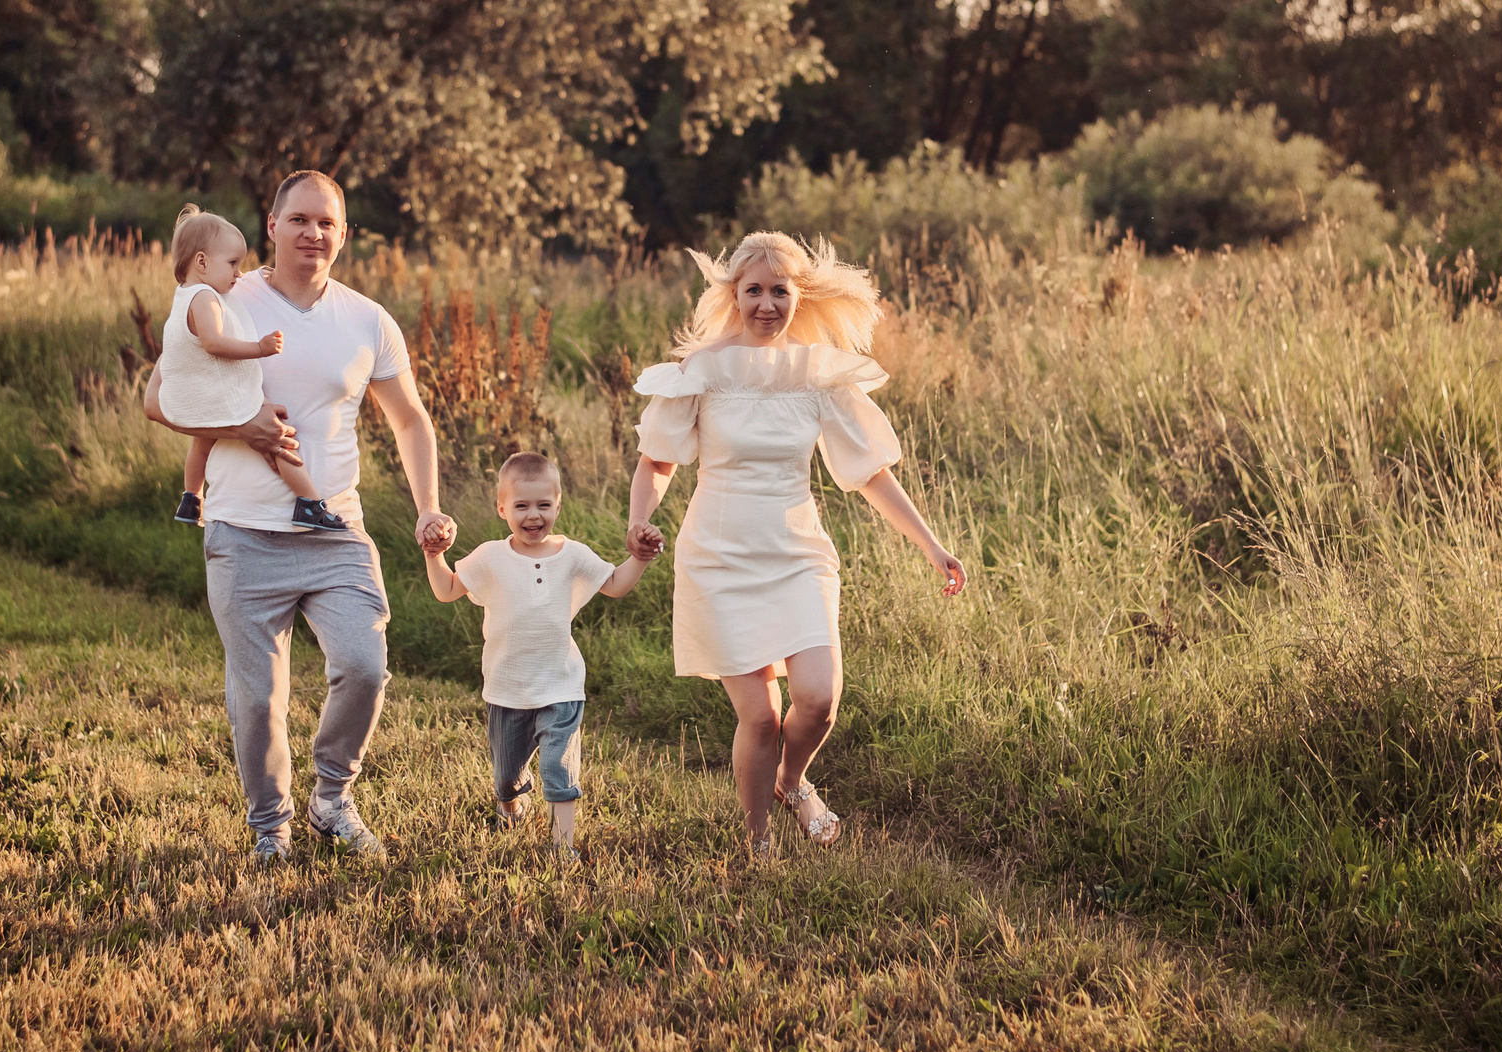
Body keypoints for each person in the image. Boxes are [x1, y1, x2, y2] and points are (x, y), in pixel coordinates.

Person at [142, 171, 456, 864]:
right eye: (300, 219)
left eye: (327, 222)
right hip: (243, 531)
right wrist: (240, 423)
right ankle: (269, 829)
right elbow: (157, 398)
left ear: (343, 235)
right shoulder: (225, 297)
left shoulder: (368, 320)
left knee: (365, 666)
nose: (314, 232)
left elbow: (409, 421)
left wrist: (428, 504)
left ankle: (332, 798)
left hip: (334, 528)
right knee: (258, 700)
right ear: (273, 226)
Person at [627, 232, 966, 859]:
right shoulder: (702, 372)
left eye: (779, 291)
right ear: (734, 294)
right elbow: (657, 463)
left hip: (797, 552)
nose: (766, 303)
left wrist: (933, 546)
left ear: (796, 296)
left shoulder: (817, 375)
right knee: (758, 716)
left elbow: (869, 473)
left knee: (819, 698)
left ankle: (791, 781)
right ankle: (757, 845)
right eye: (753, 290)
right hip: (718, 557)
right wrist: (640, 520)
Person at [422, 451, 656, 860]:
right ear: (502, 508)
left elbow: (616, 584)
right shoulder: (490, 556)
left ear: (558, 505)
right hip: (506, 687)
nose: (534, 515)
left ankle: (563, 847)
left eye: (544, 505)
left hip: (560, 683)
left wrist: (638, 558)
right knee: (506, 778)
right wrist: (433, 555)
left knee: (559, 768)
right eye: (522, 506)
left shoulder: (573, 555)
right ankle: (511, 805)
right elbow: (447, 591)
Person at [157, 205, 345, 532]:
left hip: (197, 392)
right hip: (218, 390)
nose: (239, 273)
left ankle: (190, 497)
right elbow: (214, 343)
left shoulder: (184, 296)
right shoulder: (204, 298)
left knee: (202, 443)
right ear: (201, 262)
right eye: (232, 264)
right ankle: (309, 503)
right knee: (278, 435)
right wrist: (259, 348)